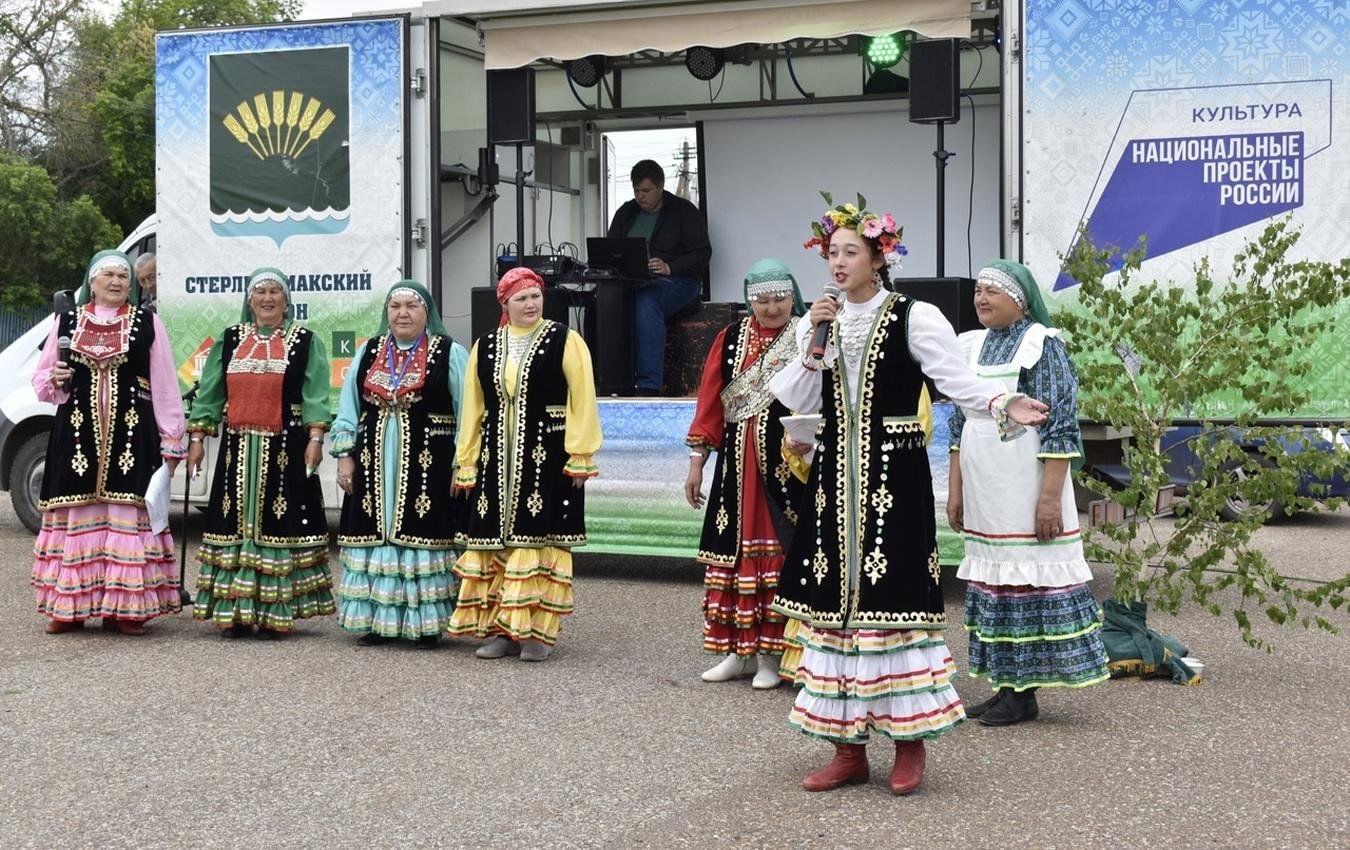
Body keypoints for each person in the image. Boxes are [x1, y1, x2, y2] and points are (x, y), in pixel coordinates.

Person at [769, 194, 1051, 795]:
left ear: (879, 256)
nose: (838, 263)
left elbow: (956, 381)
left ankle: (909, 747)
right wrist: (813, 336)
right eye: (831, 253)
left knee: (893, 609)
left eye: (850, 252)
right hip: (834, 480)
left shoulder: (914, 317)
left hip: (892, 476)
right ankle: (845, 750)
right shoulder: (817, 323)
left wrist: (1003, 402)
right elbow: (793, 396)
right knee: (836, 612)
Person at [947, 260, 1109, 726]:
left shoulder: (1043, 345)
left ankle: (1023, 693)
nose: (981, 298)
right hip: (984, 485)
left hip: (1024, 481)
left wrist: (1049, 498)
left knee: (1024, 582)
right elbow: (959, 424)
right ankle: (1003, 686)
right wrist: (956, 490)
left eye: (992, 291)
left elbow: (1060, 425)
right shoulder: (971, 346)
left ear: (1019, 300)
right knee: (995, 582)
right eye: (978, 290)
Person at [448, 267, 603, 662]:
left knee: (538, 540)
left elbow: (582, 399)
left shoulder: (564, 340)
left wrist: (580, 453)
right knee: (496, 544)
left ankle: (538, 633)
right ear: (505, 304)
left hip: (547, 455)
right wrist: (466, 458)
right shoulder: (486, 345)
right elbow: (473, 406)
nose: (531, 303)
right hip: (495, 458)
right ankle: (502, 630)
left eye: (535, 295)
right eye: (521, 298)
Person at [31, 249, 186, 635]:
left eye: (123, 275)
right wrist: (57, 376)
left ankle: (126, 610)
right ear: (92, 282)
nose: (117, 281)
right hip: (78, 435)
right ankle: (69, 608)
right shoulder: (67, 320)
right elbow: (42, 380)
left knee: (126, 519)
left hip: (133, 436)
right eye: (109, 275)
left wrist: (172, 438)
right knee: (76, 518)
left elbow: (165, 384)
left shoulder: (147, 323)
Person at [186, 268, 335, 639]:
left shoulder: (305, 341)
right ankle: (234, 611)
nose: (267, 298)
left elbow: (316, 393)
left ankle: (272, 612)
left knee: (277, 525)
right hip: (237, 448)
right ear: (248, 300)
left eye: (275, 292)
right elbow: (210, 392)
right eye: (260, 292)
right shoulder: (231, 339)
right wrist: (198, 438)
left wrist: (316, 438)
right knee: (232, 523)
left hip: (286, 445)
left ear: (287, 300)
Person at [685, 258, 807, 690]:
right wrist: (698, 459)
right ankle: (737, 652)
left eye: (778, 299)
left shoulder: (806, 334)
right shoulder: (731, 337)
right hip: (736, 469)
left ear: (792, 296)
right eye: (761, 300)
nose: (771, 308)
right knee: (734, 556)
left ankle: (773, 658)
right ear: (747, 300)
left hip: (788, 467)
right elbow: (711, 401)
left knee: (780, 554)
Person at [331, 280, 469, 648]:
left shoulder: (449, 352)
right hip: (373, 463)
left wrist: (462, 461)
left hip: (429, 465)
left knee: (424, 534)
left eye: (412, 305)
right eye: (396, 306)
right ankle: (376, 621)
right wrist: (346, 456)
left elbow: (469, 412)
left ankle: (425, 625)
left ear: (428, 313)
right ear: (386, 313)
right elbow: (349, 409)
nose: (403, 313)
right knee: (373, 534)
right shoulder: (369, 352)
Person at [606, 159, 712, 395]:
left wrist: (669, 267)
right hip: (633, 283)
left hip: (681, 283)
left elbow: (703, 253)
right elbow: (611, 249)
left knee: (647, 300)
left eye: (646, 190)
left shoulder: (684, 212)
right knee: (602, 302)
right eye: (636, 191)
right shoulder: (626, 212)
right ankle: (608, 380)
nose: (640, 196)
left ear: (661, 186)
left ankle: (648, 386)